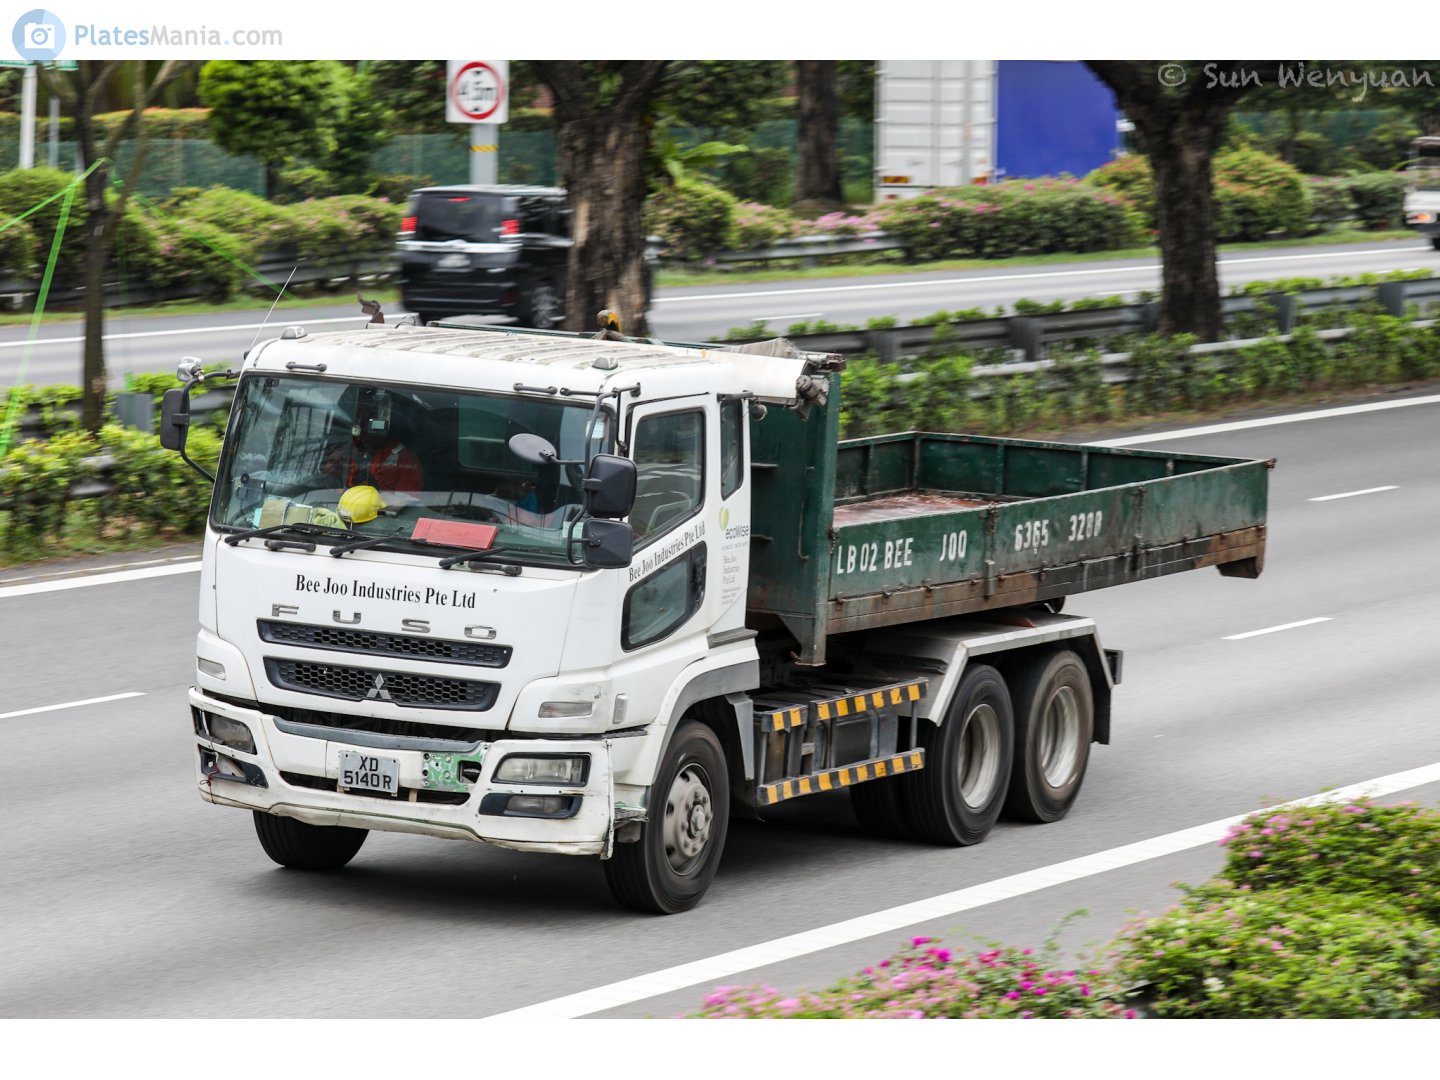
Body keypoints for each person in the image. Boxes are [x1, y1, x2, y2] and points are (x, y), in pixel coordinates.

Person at [324, 387, 424, 494]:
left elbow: (408, 499)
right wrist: (334, 469)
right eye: (358, 415)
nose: (363, 421)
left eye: (371, 415)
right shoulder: (344, 452)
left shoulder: (405, 458)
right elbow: (327, 486)